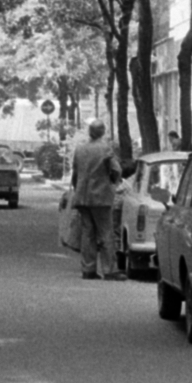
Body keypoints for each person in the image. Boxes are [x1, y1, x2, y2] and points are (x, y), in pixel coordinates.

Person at [70, 118, 124, 280]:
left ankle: (88, 269)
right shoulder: (105, 149)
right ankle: (109, 270)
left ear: (89, 132)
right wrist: (113, 183)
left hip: (82, 196)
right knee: (106, 232)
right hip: (101, 197)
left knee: (87, 233)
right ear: (103, 132)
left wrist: (77, 188)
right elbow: (117, 170)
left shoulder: (80, 149)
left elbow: (75, 173)